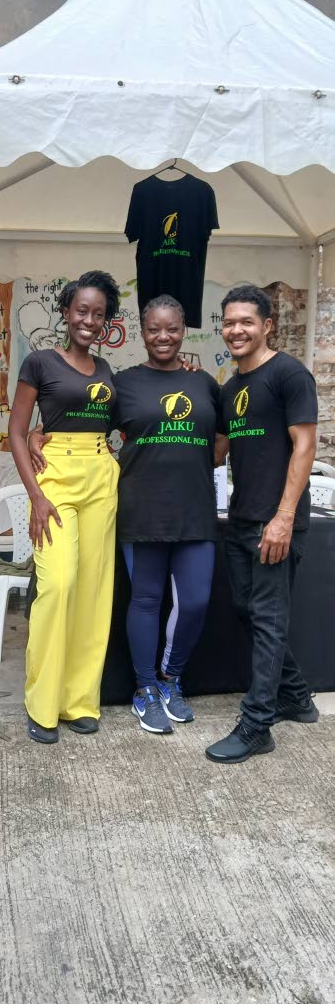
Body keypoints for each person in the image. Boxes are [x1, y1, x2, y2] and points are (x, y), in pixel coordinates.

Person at [205, 285, 318, 764]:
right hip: (242, 518)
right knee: (248, 611)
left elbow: (305, 446)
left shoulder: (289, 375)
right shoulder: (231, 389)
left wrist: (284, 518)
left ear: (267, 325)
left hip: (276, 521)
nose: (236, 330)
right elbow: (216, 453)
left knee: (268, 620)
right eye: (229, 322)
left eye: (246, 321)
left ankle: (257, 725)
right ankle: (297, 696)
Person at [8, 270, 121, 744]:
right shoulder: (39, 363)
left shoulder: (109, 372)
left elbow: (125, 423)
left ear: (107, 323)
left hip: (100, 473)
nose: (89, 321)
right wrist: (35, 493)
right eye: (82, 311)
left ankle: (78, 700)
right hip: (54, 478)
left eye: (98, 314)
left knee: (94, 591)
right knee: (58, 583)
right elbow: (17, 432)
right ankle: (42, 702)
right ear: (66, 312)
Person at [114, 295, 222, 735]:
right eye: (155, 329)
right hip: (142, 511)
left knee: (194, 601)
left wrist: (190, 464)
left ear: (184, 331)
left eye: (172, 328)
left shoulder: (204, 383)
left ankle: (171, 680)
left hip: (195, 510)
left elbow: (221, 438)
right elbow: (92, 434)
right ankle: (144, 690)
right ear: (143, 332)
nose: (164, 337)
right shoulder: (123, 383)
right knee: (146, 601)